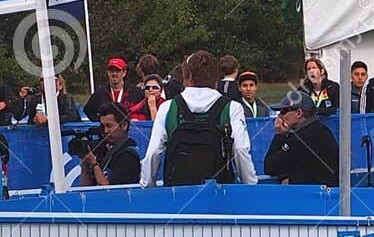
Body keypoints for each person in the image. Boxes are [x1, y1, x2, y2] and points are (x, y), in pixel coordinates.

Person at [141, 50, 256, 187]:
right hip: (218, 194)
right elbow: (240, 150)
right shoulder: (232, 108)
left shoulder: (167, 107)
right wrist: (250, 186)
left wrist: (148, 186)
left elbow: (153, 153)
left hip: (177, 193)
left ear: (186, 76)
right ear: (215, 78)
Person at [264, 90, 339, 186]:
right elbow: (295, 162)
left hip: (316, 197)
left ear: (299, 113)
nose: (279, 116)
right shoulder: (320, 130)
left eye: (284, 111)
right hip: (322, 193)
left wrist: (280, 134)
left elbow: (270, 167)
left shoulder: (303, 137)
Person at [77, 103, 141, 187]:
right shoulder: (104, 149)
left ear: (124, 125)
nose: (105, 130)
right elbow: (86, 187)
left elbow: (111, 191)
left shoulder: (128, 155)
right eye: (102, 126)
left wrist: (94, 164)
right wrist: (85, 162)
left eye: (109, 126)